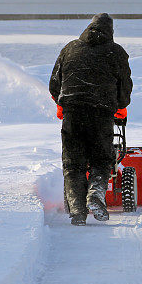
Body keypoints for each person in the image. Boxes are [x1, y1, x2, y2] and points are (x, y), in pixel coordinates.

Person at [49, 13, 133, 226]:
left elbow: (54, 84)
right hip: (101, 113)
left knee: (72, 163)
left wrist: (62, 104)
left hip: (72, 113)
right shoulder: (117, 52)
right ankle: (95, 194)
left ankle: (77, 209)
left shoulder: (70, 48)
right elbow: (124, 88)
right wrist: (120, 107)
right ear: (110, 33)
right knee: (102, 159)